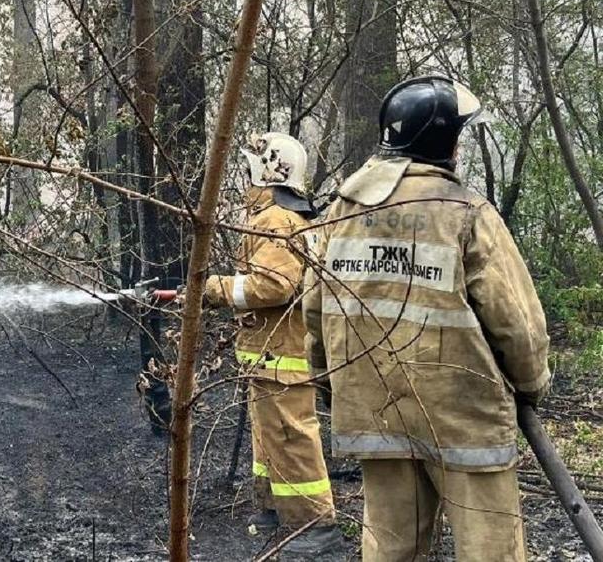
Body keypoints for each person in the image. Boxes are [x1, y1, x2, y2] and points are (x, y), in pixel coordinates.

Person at [302, 75, 551, 561]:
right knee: (490, 550)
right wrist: (531, 383)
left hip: (376, 410)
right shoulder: (465, 211)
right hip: (463, 417)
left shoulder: (341, 212)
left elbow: (316, 311)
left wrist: (330, 384)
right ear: (444, 141)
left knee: (391, 548)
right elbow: (517, 323)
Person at [203, 132, 341, 554]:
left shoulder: (276, 221)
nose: (245, 180)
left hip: (283, 353)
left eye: (249, 170)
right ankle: (273, 507)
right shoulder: (282, 217)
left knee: (291, 435)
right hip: (270, 353)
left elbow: (274, 285)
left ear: (267, 172)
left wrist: (216, 288)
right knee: (270, 437)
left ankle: (315, 524)